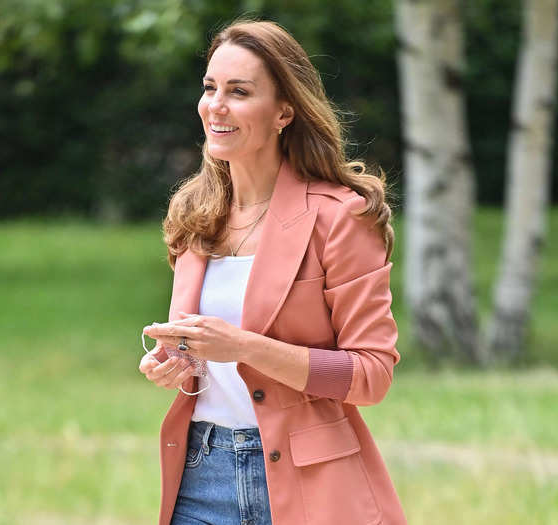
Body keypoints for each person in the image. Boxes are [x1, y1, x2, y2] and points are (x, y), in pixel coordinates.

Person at [138, 18, 407, 525]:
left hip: (310, 484)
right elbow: (205, 356)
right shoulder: (193, 216)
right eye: (210, 87)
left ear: (284, 112)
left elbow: (373, 373)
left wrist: (243, 347)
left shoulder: (339, 217)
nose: (216, 105)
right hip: (200, 473)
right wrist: (177, 362)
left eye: (239, 92)